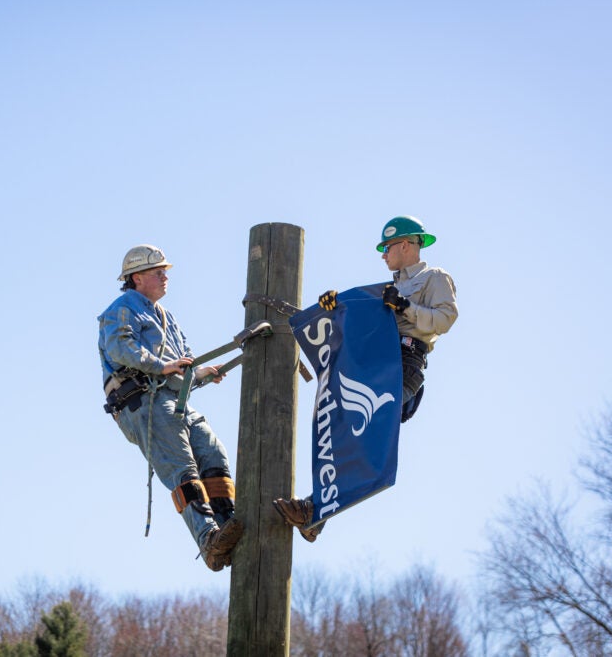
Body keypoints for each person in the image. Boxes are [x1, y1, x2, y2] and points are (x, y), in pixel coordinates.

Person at [274, 215, 458, 542]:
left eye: (387, 247)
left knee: (367, 431)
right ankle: (317, 512)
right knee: (343, 423)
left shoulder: (434, 278)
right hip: (377, 361)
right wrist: (335, 308)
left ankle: (316, 510)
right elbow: (364, 320)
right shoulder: (389, 288)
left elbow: (445, 319)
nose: (383, 255)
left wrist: (405, 308)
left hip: (405, 361)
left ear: (405, 244)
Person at [98, 244, 244, 571]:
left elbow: (181, 368)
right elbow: (121, 348)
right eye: (157, 272)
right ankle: (209, 539)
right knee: (183, 469)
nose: (165, 277)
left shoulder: (167, 318)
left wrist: (201, 374)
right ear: (136, 278)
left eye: (165, 271)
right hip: (142, 401)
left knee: (213, 454)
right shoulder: (122, 308)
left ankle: (227, 522)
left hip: (172, 399)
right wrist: (163, 366)